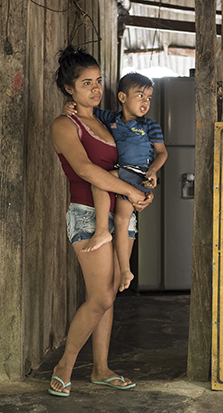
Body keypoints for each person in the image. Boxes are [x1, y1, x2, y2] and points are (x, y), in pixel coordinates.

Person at [49, 45, 153, 397]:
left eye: (98, 82)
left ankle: (100, 369)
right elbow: (86, 169)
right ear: (69, 89)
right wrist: (129, 189)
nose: (95, 89)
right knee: (100, 296)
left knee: (110, 295)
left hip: (118, 212)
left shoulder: (107, 121)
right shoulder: (65, 124)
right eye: (86, 83)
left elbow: (125, 164)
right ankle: (65, 366)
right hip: (87, 213)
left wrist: (140, 189)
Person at [64, 72, 169, 292]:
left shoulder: (150, 126)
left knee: (102, 184)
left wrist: (152, 171)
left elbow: (162, 153)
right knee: (121, 220)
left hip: (138, 174)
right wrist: (69, 107)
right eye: (140, 95)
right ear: (122, 97)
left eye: (149, 97)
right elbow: (86, 112)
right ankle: (125, 270)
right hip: (122, 173)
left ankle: (105, 236)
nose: (145, 102)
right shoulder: (110, 119)